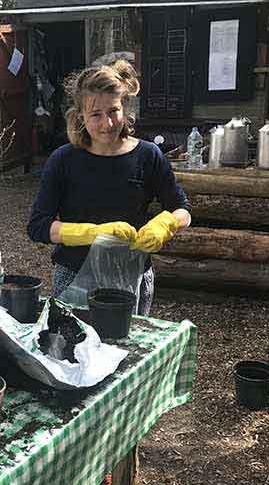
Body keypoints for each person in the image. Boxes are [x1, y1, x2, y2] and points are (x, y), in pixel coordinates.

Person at [27, 60, 191, 313]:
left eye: (113, 111)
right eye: (95, 115)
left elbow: (182, 209)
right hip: (74, 275)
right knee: (71, 349)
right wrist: (93, 234)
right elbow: (38, 227)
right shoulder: (63, 159)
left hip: (132, 276)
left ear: (124, 108)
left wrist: (165, 224)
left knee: (129, 350)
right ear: (80, 116)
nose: (107, 124)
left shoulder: (148, 155)